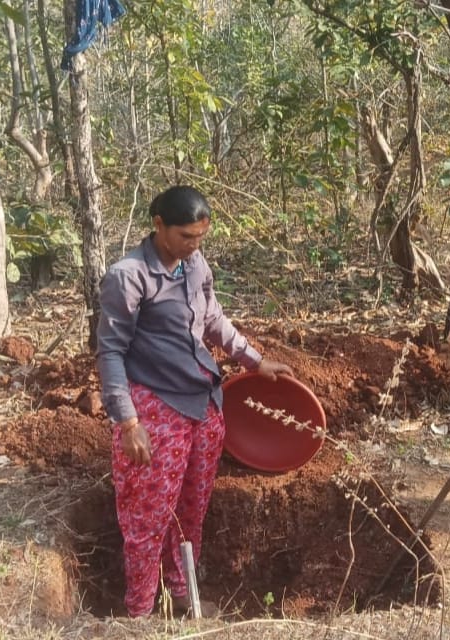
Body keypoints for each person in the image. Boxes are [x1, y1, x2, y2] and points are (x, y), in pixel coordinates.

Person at [97, 185, 294, 617]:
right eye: (186, 236)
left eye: (201, 237)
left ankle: (182, 593)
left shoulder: (194, 265)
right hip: (155, 410)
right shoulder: (128, 276)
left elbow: (212, 319)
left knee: (191, 512)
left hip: (203, 405)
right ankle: (140, 613)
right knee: (147, 519)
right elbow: (110, 351)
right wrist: (128, 423)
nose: (194, 245)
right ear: (159, 226)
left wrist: (253, 360)